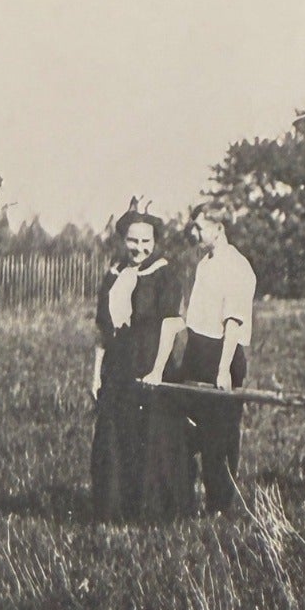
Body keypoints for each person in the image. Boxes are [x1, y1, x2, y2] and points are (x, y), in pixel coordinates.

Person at [89, 209, 187, 521]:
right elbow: (103, 331)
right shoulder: (113, 274)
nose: (139, 247)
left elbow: (171, 324)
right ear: (123, 240)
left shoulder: (164, 273)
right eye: (133, 240)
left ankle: (154, 512)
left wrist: (158, 369)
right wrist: (95, 375)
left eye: (146, 241)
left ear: (155, 241)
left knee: (153, 436)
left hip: (150, 360)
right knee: (117, 435)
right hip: (117, 365)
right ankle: (116, 510)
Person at [168, 209, 257, 515]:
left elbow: (233, 321)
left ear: (219, 228)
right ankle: (184, 499)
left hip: (223, 353)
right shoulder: (204, 264)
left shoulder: (237, 267)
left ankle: (219, 507)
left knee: (219, 435)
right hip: (197, 350)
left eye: (200, 228)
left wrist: (222, 369)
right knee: (186, 428)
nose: (195, 234)